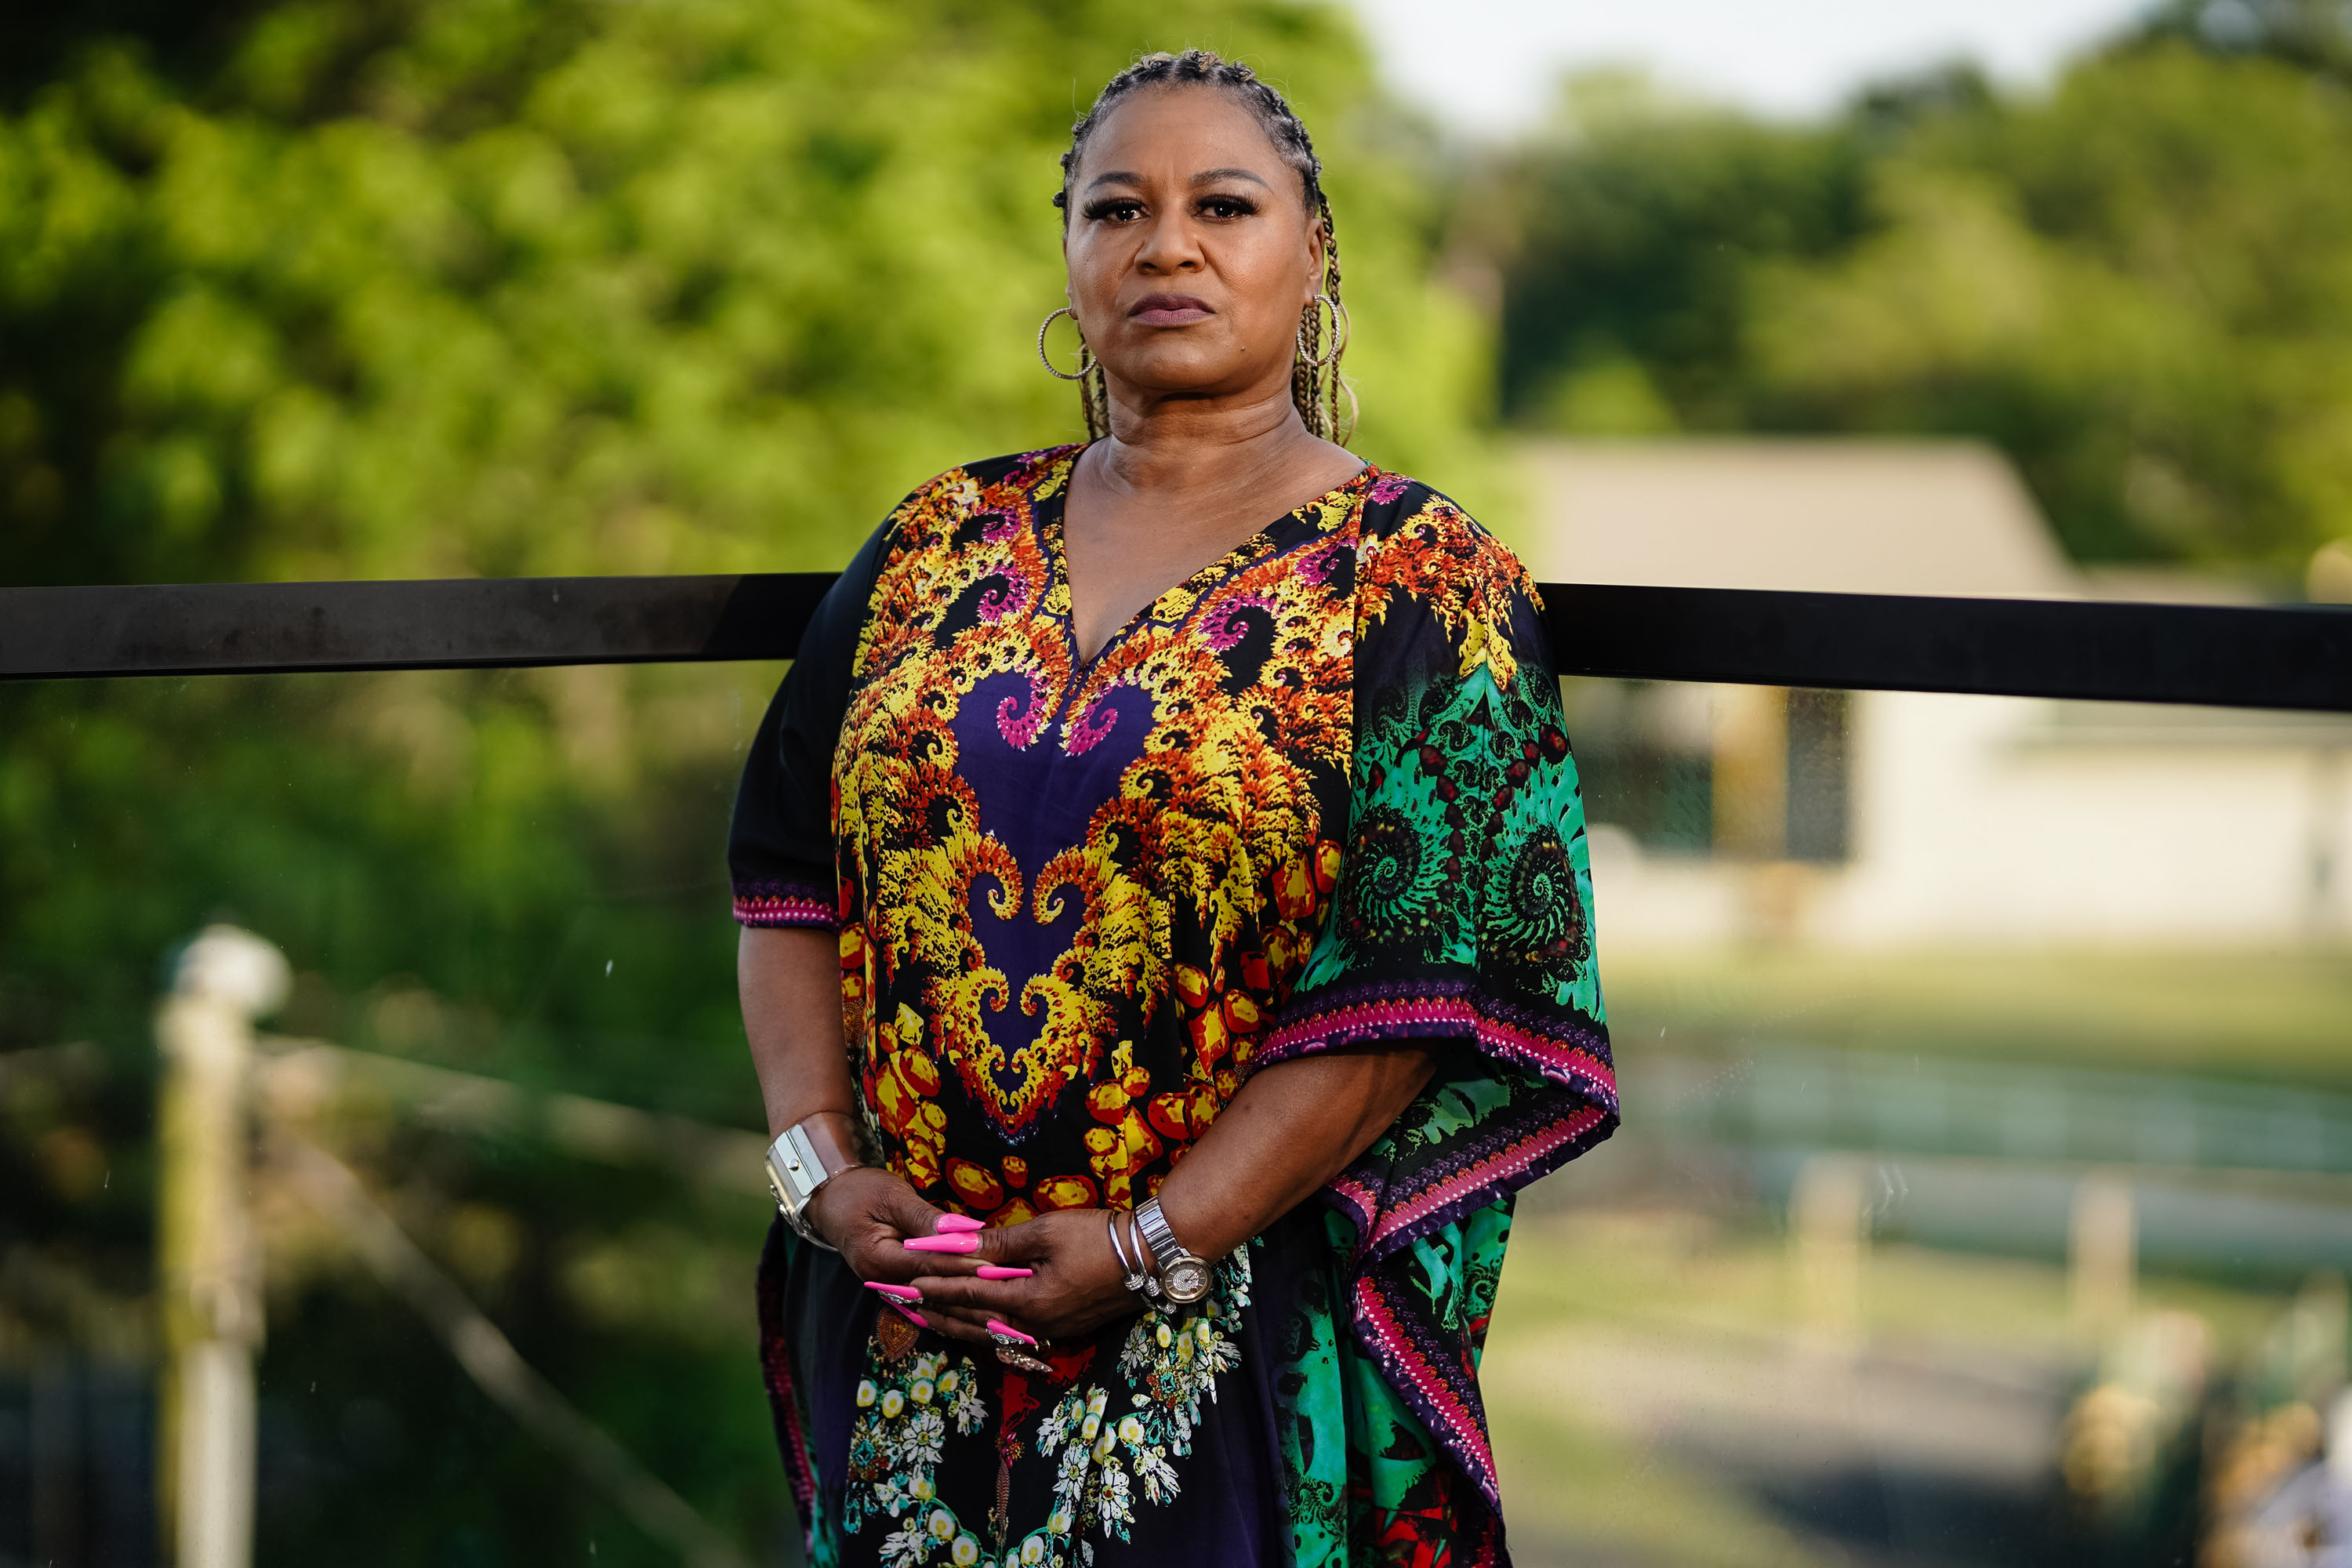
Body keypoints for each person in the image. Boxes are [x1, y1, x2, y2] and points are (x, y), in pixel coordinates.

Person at [728, 49, 1616, 1568]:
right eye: (1116, 209)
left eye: (1224, 204)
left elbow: (1420, 994)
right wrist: (822, 1175)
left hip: (1230, 1337)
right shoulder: (935, 542)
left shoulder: (1419, 581)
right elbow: (785, 878)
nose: (1167, 245)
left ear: (1313, 251)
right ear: (1068, 255)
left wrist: (1153, 1246)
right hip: (913, 1316)